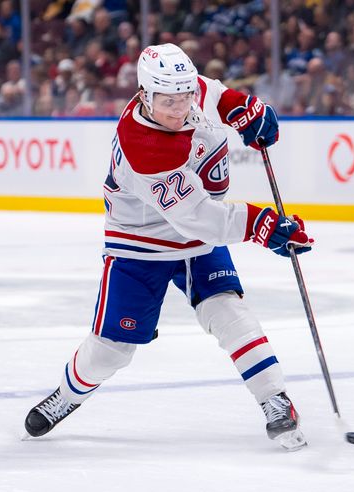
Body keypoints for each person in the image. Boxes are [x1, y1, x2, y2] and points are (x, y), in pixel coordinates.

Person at [24, 43, 313, 451]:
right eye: (168, 102)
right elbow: (201, 217)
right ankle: (65, 397)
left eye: (184, 98)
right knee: (111, 352)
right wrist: (262, 225)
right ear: (145, 95)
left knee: (227, 310)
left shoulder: (178, 88)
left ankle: (275, 399)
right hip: (140, 243)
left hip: (195, 238)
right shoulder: (144, 146)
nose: (179, 109)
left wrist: (241, 107)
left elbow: (208, 91)